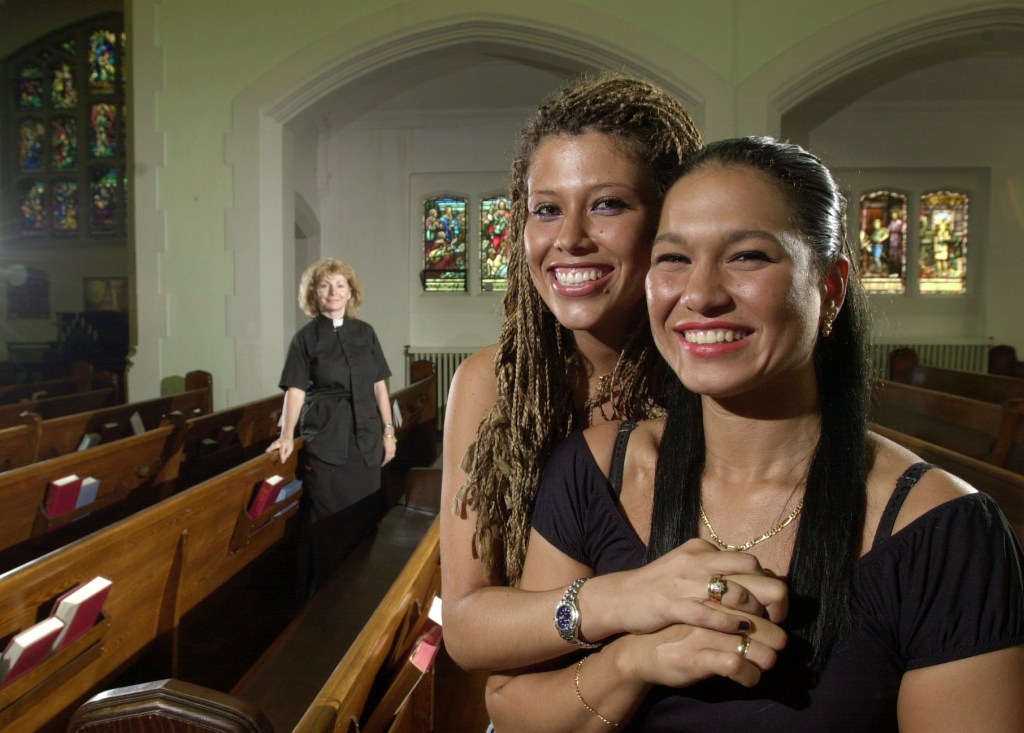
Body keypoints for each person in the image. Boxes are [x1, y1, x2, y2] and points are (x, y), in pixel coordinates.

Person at [486, 137, 1024, 731]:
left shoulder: (940, 530)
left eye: (748, 257)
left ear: (831, 288)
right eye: (673, 258)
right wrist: (633, 660)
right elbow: (513, 713)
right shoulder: (596, 469)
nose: (701, 294)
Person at [442, 74, 779, 679]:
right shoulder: (492, 384)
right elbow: (466, 628)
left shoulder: (717, 373)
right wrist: (621, 601)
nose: (569, 238)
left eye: (607, 205)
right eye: (546, 210)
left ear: (667, 217)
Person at [267, 257, 396, 595]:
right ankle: (325, 599)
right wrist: (285, 436)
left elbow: (380, 386)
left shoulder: (365, 332)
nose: (333, 292)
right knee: (327, 525)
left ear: (351, 292)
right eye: (325, 285)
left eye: (340, 285)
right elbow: (295, 390)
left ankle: (361, 594)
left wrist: (389, 432)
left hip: (366, 441)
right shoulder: (305, 338)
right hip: (326, 439)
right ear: (314, 294)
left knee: (365, 520)